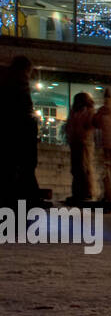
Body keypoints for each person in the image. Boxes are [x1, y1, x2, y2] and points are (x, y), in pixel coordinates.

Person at [0, 55, 42, 207]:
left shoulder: (6, 83)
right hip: (20, 137)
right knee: (24, 172)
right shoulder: (20, 87)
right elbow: (24, 113)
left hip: (9, 137)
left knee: (10, 172)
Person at [66, 92, 97, 204]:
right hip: (76, 142)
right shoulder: (75, 112)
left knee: (83, 167)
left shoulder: (87, 112)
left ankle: (86, 192)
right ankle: (78, 192)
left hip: (84, 142)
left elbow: (89, 125)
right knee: (76, 169)